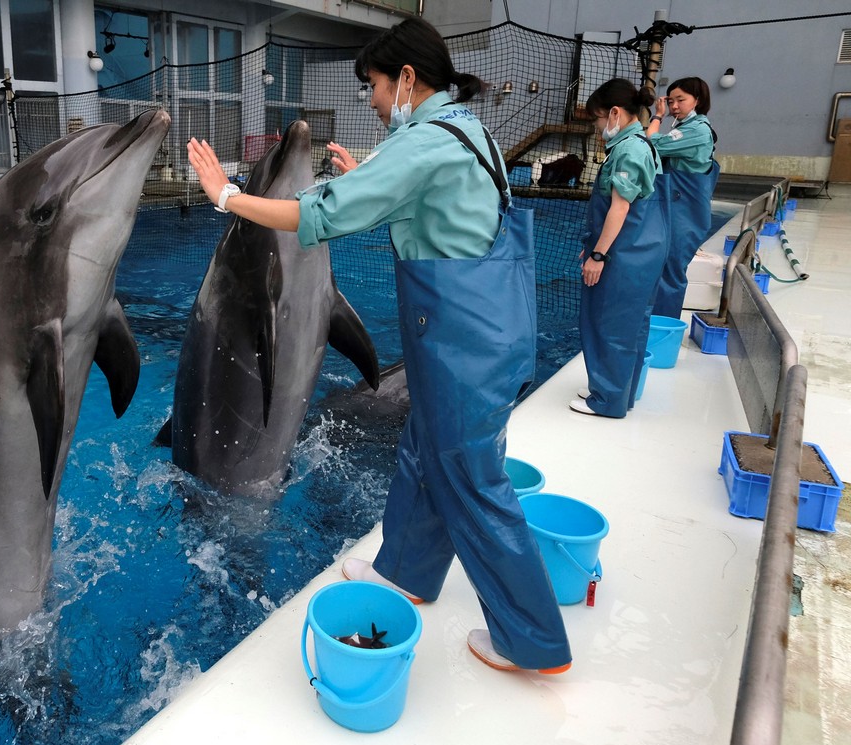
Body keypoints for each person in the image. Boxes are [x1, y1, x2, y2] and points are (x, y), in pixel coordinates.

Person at [187, 17, 571, 674]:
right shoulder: (464, 130)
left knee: (471, 482)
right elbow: (439, 198)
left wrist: (227, 196)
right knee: (424, 450)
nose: (369, 97)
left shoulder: (423, 145)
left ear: (408, 79)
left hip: (463, 342)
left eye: (373, 85)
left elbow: (318, 215)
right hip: (480, 328)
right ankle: (405, 573)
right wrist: (369, 173)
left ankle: (532, 640)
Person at [572, 78, 669, 419]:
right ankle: (619, 390)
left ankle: (607, 400)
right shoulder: (639, 143)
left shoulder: (629, 149)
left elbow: (620, 207)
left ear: (614, 113)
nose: (598, 128)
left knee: (610, 321)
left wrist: (598, 255)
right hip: (641, 248)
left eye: (598, 119)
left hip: (626, 252)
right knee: (630, 322)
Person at [646, 77, 720, 318]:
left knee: (672, 269)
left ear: (697, 101)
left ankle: (662, 328)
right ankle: (652, 323)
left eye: (681, 100)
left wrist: (657, 116)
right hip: (675, 209)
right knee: (661, 266)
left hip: (686, 214)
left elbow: (652, 143)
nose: (674, 106)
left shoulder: (697, 131)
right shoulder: (683, 128)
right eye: (670, 100)